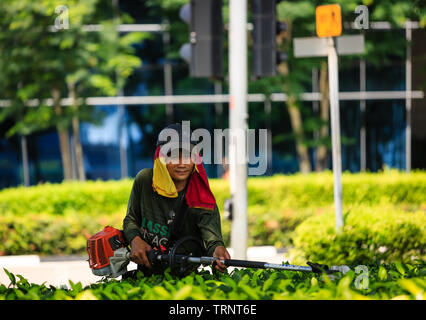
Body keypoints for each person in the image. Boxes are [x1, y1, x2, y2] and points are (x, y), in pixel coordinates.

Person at [122, 123, 231, 276]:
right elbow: (131, 219)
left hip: (185, 277)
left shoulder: (201, 196)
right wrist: (135, 240)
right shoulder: (145, 180)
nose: (182, 163)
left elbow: (212, 240)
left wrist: (218, 251)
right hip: (145, 275)